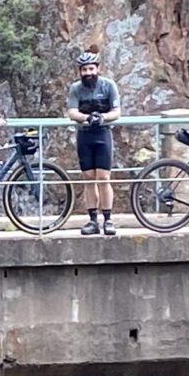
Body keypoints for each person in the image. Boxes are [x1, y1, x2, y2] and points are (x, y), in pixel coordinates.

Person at [65, 47, 120, 235]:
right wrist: (85, 118)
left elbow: (117, 112)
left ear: (98, 69)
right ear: (80, 72)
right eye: (84, 70)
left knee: (104, 178)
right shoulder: (75, 88)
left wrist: (102, 118)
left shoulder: (108, 85)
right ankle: (92, 221)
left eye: (91, 69)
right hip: (84, 135)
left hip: (103, 135)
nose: (88, 73)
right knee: (89, 179)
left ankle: (108, 219)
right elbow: (72, 111)